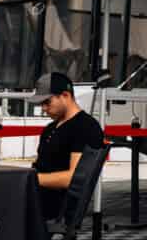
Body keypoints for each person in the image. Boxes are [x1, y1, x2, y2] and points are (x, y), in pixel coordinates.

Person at [29, 72, 105, 220]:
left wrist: (29, 180)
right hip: (36, 200)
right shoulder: (50, 129)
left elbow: (74, 178)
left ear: (65, 95)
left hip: (55, 208)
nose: (44, 108)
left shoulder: (85, 127)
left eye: (47, 102)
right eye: (41, 104)